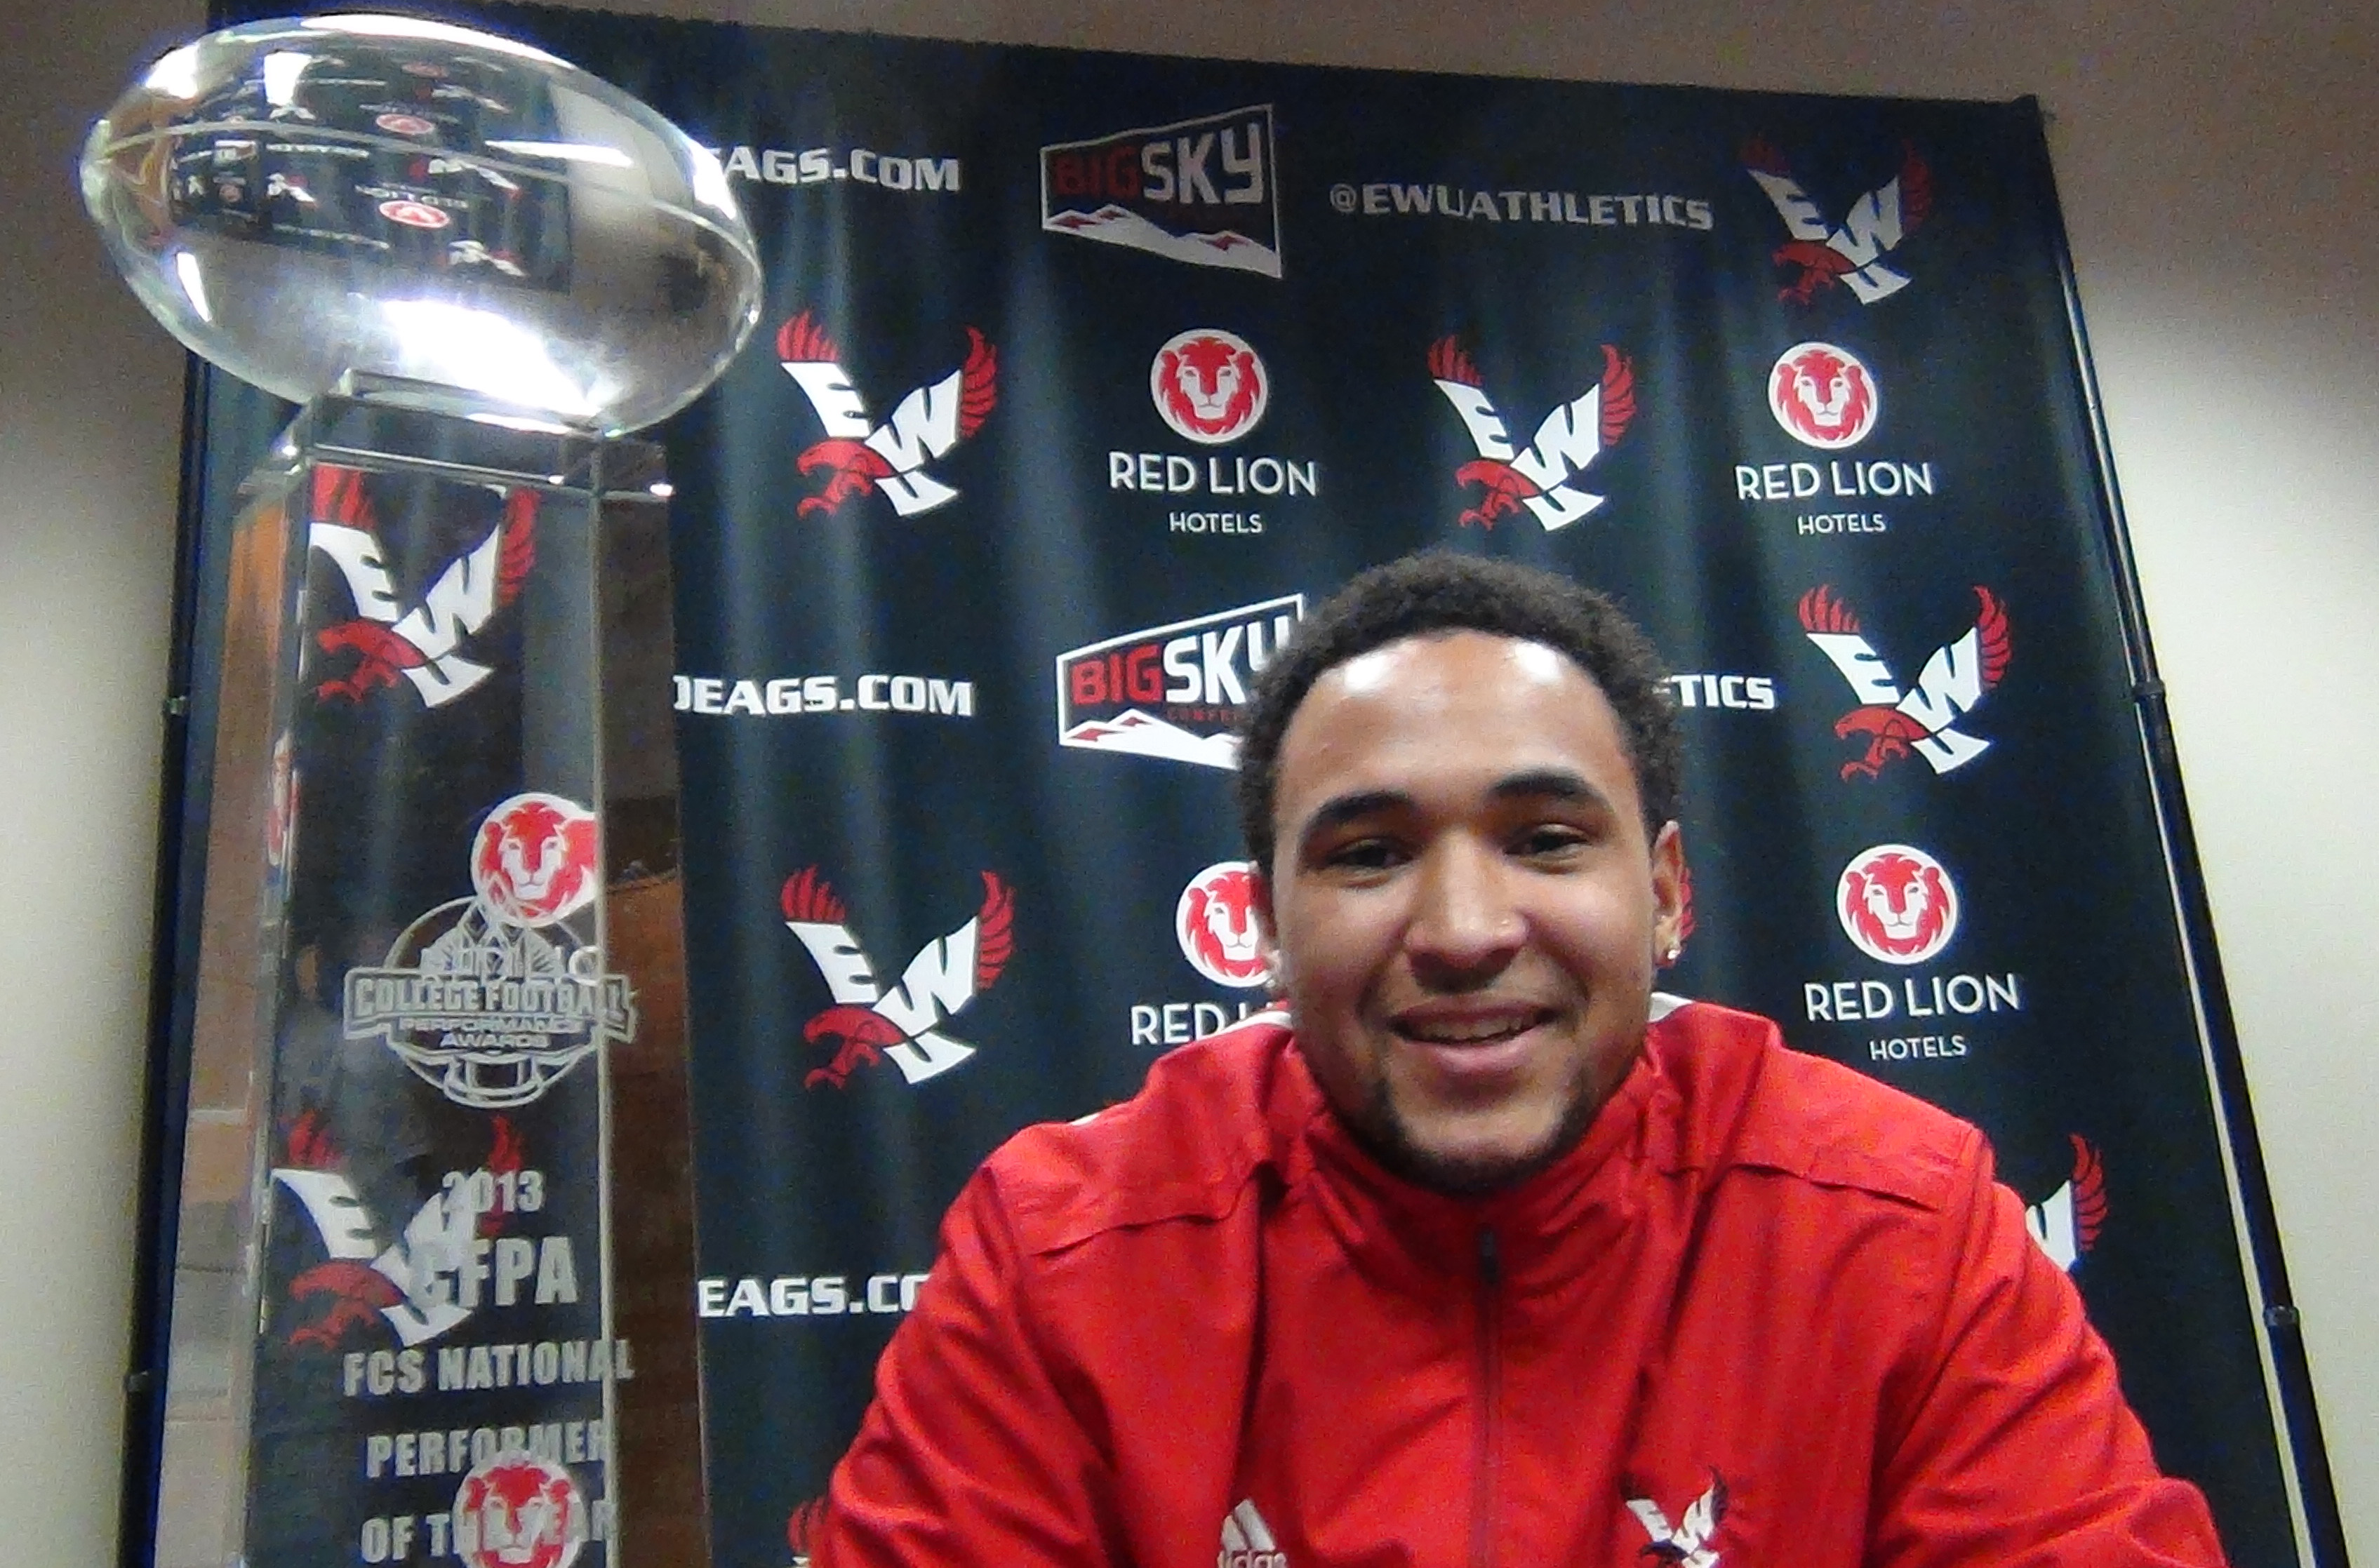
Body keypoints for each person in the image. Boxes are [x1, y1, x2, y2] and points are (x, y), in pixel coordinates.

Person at [811, 552, 2229, 1567]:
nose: (1467, 929)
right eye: (1368, 854)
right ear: (1262, 925)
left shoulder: (1900, 1224)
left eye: (1547, 838)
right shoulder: (1067, 1253)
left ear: (1668, 891)